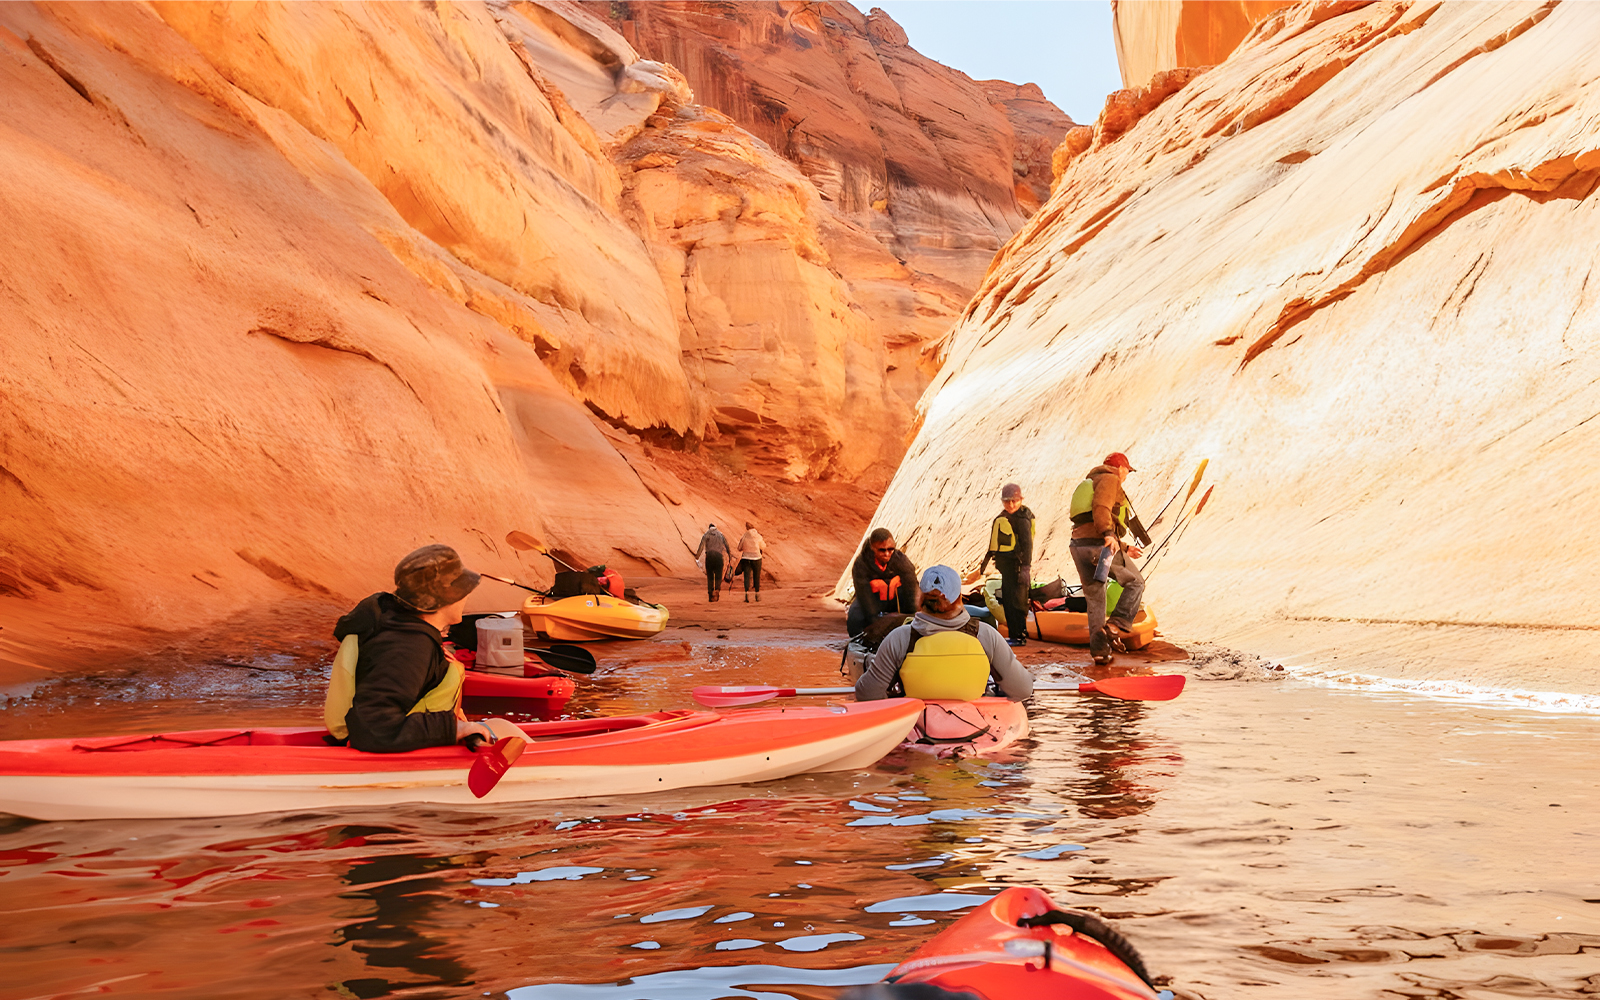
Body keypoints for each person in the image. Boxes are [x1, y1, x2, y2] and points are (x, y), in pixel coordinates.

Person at [331, 544, 526, 753]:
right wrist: (453, 728)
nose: (466, 597)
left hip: (403, 740)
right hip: (388, 750)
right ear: (445, 599)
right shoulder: (408, 646)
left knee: (501, 725)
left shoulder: (402, 628)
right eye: (462, 591)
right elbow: (375, 727)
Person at [855, 565, 1033, 702]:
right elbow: (1022, 690)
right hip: (975, 731)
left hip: (916, 733)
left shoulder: (900, 638)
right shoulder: (986, 635)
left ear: (920, 599)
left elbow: (867, 694)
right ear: (959, 599)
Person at [1068, 452, 1148, 664]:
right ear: (1121, 468)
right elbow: (1101, 508)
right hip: (1098, 547)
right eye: (1127, 471)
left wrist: (1124, 546)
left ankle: (1100, 653)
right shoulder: (1110, 478)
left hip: (1079, 547)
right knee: (1136, 583)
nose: (1126, 476)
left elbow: (1088, 523)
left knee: (1095, 599)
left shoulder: (1093, 481)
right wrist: (1109, 534)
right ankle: (1114, 626)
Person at [984, 482, 1035, 647]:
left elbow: (1027, 544)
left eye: (1014, 501)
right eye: (1007, 501)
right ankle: (1015, 634)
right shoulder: (1008, 516)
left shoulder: (1021, 519)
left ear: (1020, 500)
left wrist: (1025, 568)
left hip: (1018, 567)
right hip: (1008, 568)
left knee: (1017, 601)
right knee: (1009, 599)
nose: (1011, 504)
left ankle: (1018, 636)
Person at [847, 528, 919, 636]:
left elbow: (911, 589)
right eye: (882, 550)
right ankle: (858, 639)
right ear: (872, 548)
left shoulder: (901, 561)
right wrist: (874, 621)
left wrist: (910, 614)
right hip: (873, 600)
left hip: (897, 600)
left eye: (890, 549)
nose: (887, 553)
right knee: (855, 616)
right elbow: (864, 595)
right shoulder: (861, 564)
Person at [734, 521, 766, 602]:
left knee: (747, 577)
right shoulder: (758, 536)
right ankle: (757, 595)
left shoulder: (745, 536)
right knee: (756, 576)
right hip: (757, 558)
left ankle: (747, 596)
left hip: (746, 558)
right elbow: (763, 546)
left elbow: (739, 548)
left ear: (747, 528)